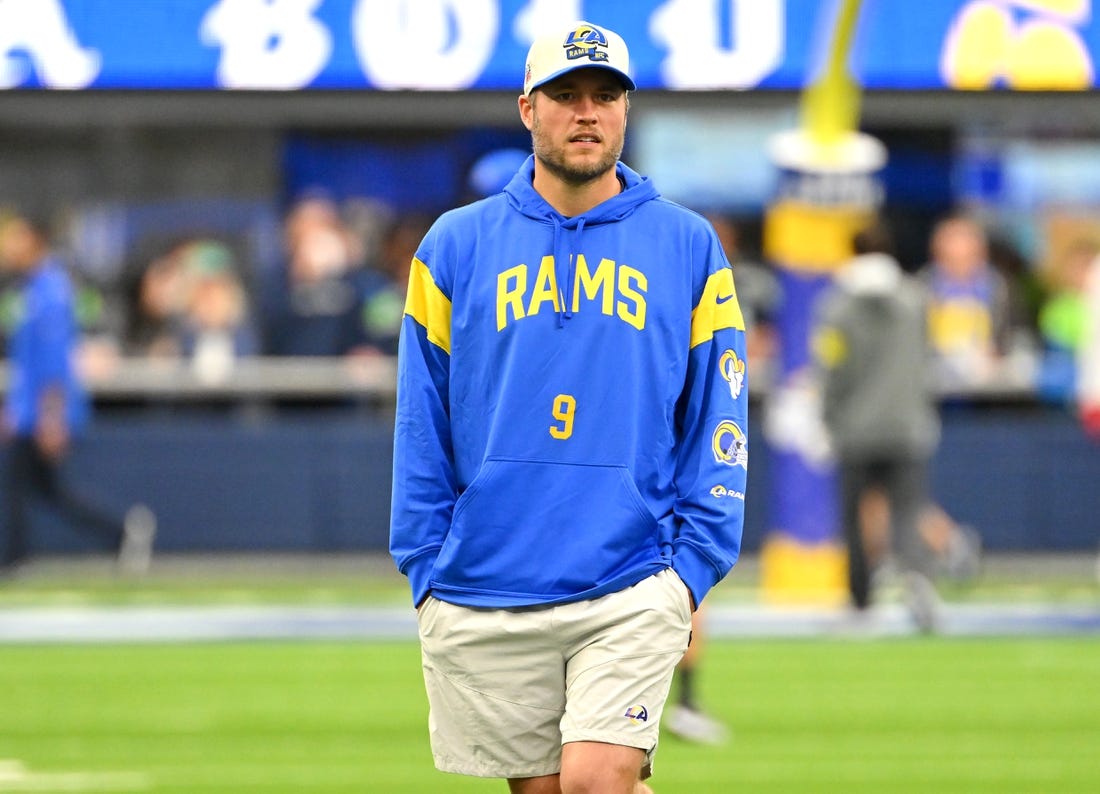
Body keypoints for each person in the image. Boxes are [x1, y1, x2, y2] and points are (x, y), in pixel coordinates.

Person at [389, 20, 748, 794]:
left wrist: (692, 568)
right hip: (487, 577)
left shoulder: (687, 245)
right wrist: (423, 561)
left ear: (626, 110)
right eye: (566, 95)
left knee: (594, 782)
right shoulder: (453, 245)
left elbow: (719, 416)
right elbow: (421, 419)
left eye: (605, 95)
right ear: (528, 109)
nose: (587, 112)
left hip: (633, 569)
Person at [0, 213, 155, 576]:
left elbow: (53, 362)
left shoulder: (50, 290)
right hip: (28, 408)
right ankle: (121, 532)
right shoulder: (30, 289)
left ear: (35, 240)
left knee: (19, 484)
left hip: (42, 410)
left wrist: (51, 416)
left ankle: (14, 557)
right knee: (41, 488)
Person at [813, 221, 942, 631]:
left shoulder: (836, 305)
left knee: (853, 517)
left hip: (855, 428)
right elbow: (928, 357)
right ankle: (917, 579)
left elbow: (833, 367)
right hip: (906, 424)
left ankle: (860, 596)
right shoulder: (915, 299)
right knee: (907, 511)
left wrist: (827, 416)